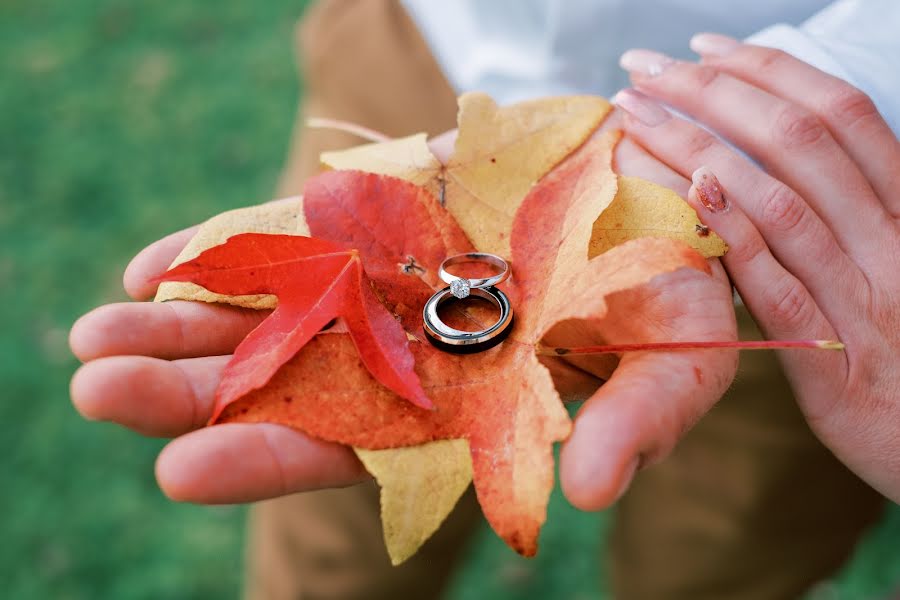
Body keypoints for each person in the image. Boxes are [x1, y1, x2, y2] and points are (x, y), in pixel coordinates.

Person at [68, 1, 900, 598]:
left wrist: (838, 78)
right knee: (330, 496)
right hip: (423, 55)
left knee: (728, 549)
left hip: (809, 200)